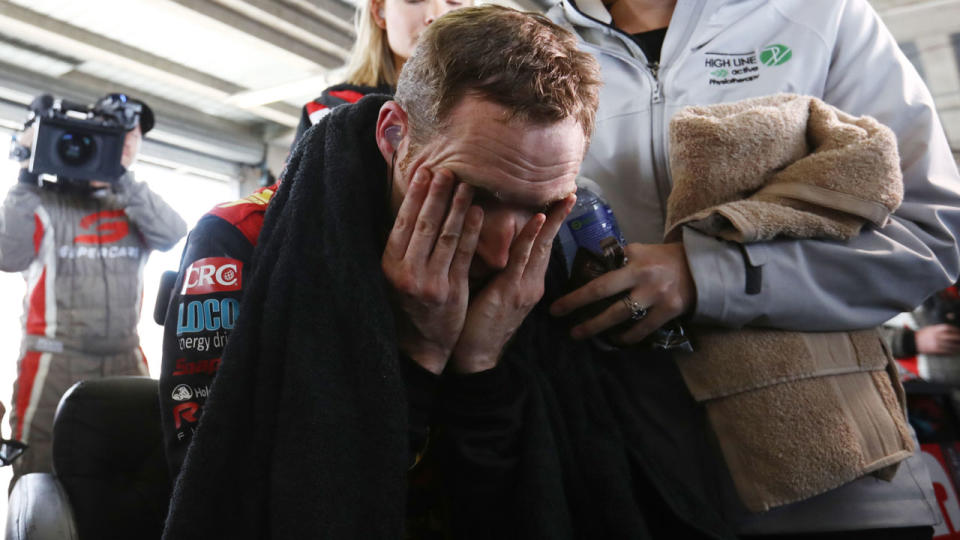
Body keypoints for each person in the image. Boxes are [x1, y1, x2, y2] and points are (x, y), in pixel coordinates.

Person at [161, 6, 741, 539]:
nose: (498, 249)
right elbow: (225, 493)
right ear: (394, 134)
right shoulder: (239, 243)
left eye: (539, 206)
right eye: (472, 194)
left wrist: (481, 369)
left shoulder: (547, 259)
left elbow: (537, 503)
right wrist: (419, 357)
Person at [545, 0, 960, 537]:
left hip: (835, 488)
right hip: (625, 485)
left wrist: (707, 275)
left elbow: (929, 235)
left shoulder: (817, 14)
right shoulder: (519, 37)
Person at [159, 0, 469, 479]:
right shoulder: (334, 112)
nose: (434, 14)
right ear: (379, 11)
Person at [0, 93, 187, 484]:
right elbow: (7, 255)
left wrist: (121, 179)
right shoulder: (42, 199)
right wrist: (25, 176)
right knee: (37, 473)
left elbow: (173, 235)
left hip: (124, 355)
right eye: (121, 132)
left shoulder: (133, 201)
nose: (130, 141)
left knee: (137, 465)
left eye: (136, 135)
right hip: (53, 359)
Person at [291, 0, 470, 147]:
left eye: (454, 2)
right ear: (379, 11)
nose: (435, 15)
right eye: (415, 0)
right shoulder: (331, 114)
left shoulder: (491, 109)